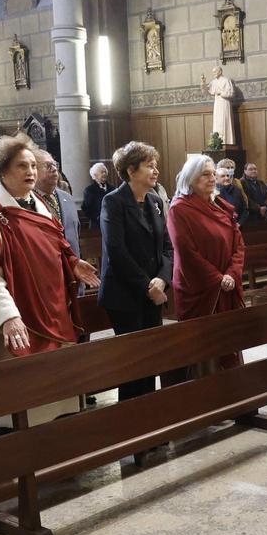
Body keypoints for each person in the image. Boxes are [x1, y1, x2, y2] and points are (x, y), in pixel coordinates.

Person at [0, 135, 98, 425]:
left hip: (55, 308)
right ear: (2, 170)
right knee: (27, 400)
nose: (31, 173)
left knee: (61, 397)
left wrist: (72, 263)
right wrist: (9, 317)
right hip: (19, 317)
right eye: (22, 166)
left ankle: (61, 454)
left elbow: (54, 245)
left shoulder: (38, 203)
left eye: (33, 166)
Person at [99, 141, 174, 401]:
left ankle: (149, 421)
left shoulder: (154, 201)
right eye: (149, 166)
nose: (155, 171)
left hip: (153, 291)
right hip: (125, 295)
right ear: (131, 171)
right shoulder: (113, 202)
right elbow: (117, 251)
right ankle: (132, 424)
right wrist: (148, 286)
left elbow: (167, 247)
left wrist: (162, 280)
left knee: (151, 359)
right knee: (133, 363)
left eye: (156, 166)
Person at [167, 156, 245, 369]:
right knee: (204, 350)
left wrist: (232, 274)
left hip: (227, 284)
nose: (212, 178)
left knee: (228, 345)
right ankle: (208, 396)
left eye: (213, 173)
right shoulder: (180, 209)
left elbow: (238, 245)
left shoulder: (222, 206)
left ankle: (232, 392)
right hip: (199, 289)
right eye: (205, 174)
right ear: (190, 178)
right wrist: (217, 278)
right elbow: (186, 252)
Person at [33, 150, 81, 258]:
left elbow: (75, 235)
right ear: (33, 170)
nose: (54, 169)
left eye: (55, 164)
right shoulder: (28, 201)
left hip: (74, 268)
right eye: (48, 166)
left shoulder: (67, 198)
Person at [82, 162, 110, 229]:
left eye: (105, 172)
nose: (104, 174)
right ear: (94, 176)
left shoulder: (113, 189)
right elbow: (86, 208)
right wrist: (97, 217)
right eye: (102, 172)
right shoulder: (89, 190)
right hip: (96, 225)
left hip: (112, 223)